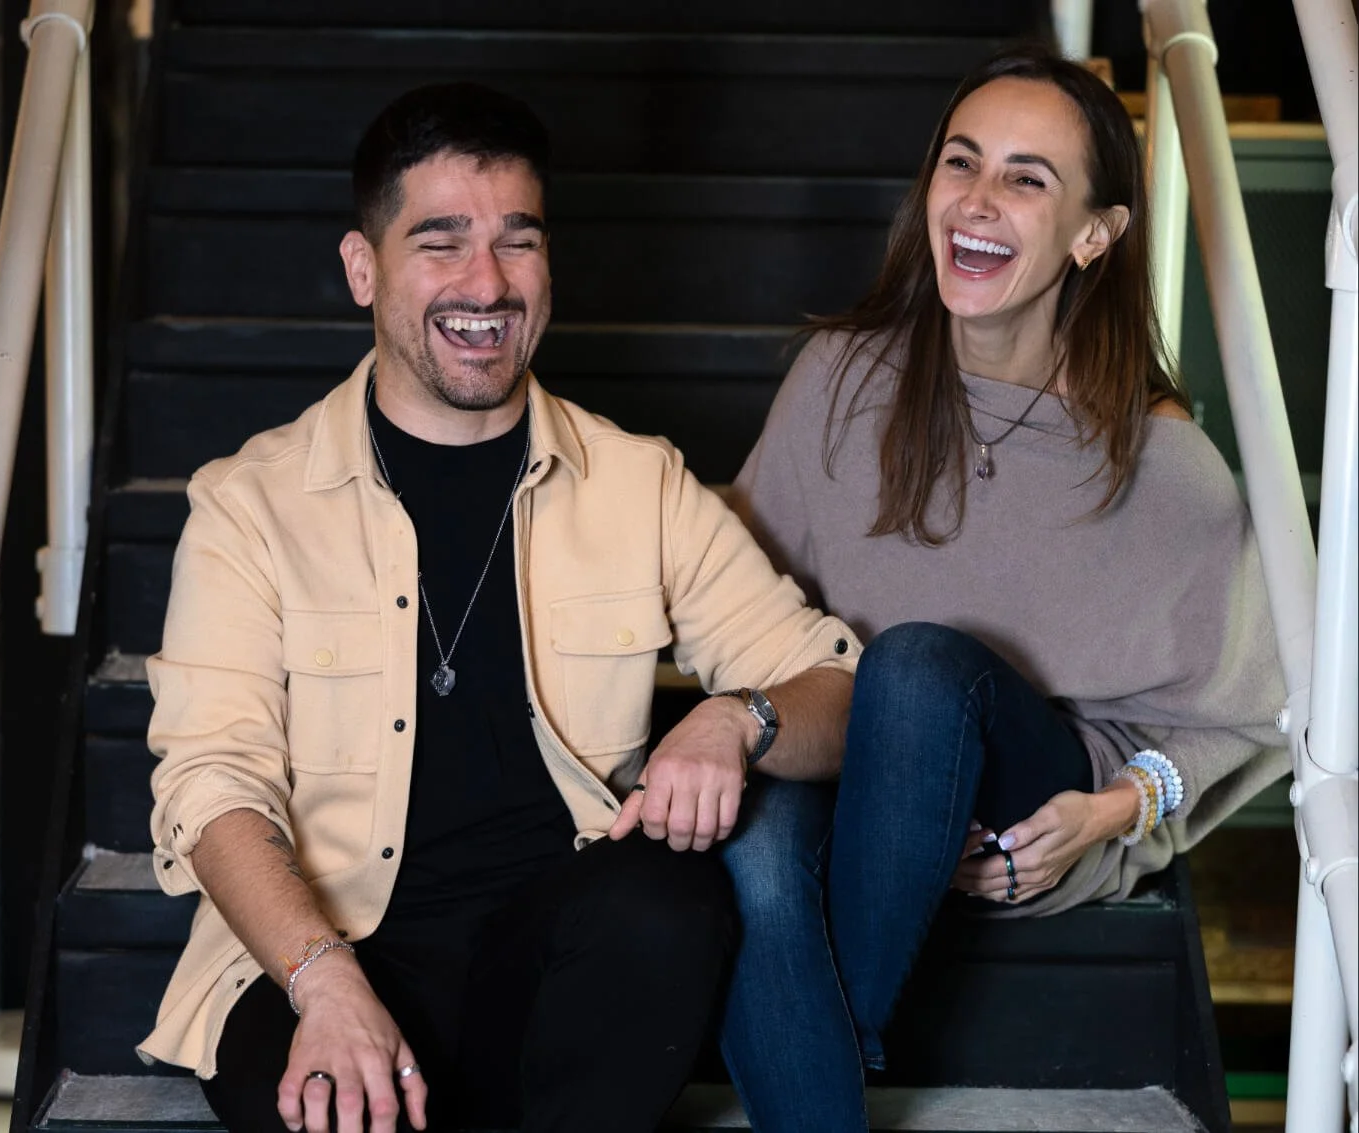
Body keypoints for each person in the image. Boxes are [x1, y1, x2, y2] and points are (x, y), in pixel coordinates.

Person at [134, 82, 859, 1133]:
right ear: (360, 268)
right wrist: (324, 981)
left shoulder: (639, 482)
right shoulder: (248, 506)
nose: (487, 281)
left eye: (517, 241)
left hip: (552, 960)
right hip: (328, 955)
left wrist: (737, 716)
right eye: (440, 242)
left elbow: (832, 683)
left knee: (667, 896)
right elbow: (210, 783)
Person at [717, 45, 1289, 1132]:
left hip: (1027, 799)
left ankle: (824, 1026)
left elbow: (1243, 717)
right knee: (756, 849)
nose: (976, 201)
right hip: (846, 758)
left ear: (1095, 233)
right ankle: (828, 1071)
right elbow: (732, 579)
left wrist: (1109, 812)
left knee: (921, 660)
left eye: (1026, 179)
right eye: (960, 163)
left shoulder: (1162, 466)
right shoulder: (843, 378)